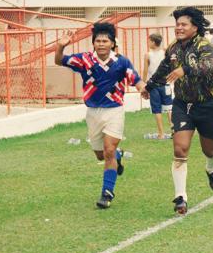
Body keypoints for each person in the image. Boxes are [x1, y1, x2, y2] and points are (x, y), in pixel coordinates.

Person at [55, 22, 146, 209]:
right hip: (93, 112)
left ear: (112, 43)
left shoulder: (122, 62)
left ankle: (107, 193)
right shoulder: (85, 60)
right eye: (98, 40)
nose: (102, 44)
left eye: (105, 40)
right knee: (100, 155)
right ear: (93, 43)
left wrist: (144, 89)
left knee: (108, 150)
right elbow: (59, 60)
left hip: (114, 110)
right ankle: (117, 157)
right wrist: (61, 46)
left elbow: (136, 80)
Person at [143, 7, 213, 215]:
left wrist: (185, 69)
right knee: (180, 149)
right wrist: (149, 86)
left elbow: (209, 67)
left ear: (195, 27)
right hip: (182, 105)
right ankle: (181, 198)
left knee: (209, 150)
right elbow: (163, 69)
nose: (179, 28)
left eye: (183, 24)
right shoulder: (173, 48)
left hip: (207, 105)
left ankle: (212, 170)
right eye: (177, 24)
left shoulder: (204, 46)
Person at [142, 33, 172, 140]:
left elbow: (145, 71)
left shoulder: (148, 55)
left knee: (157, 110)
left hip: (153, 85)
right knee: (169, 109)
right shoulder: (165, 53)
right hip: (166, 83)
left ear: (153, 42)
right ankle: (174, 131)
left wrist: (143, 86)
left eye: (149, 41)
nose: (148, 43)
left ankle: (161, 134)